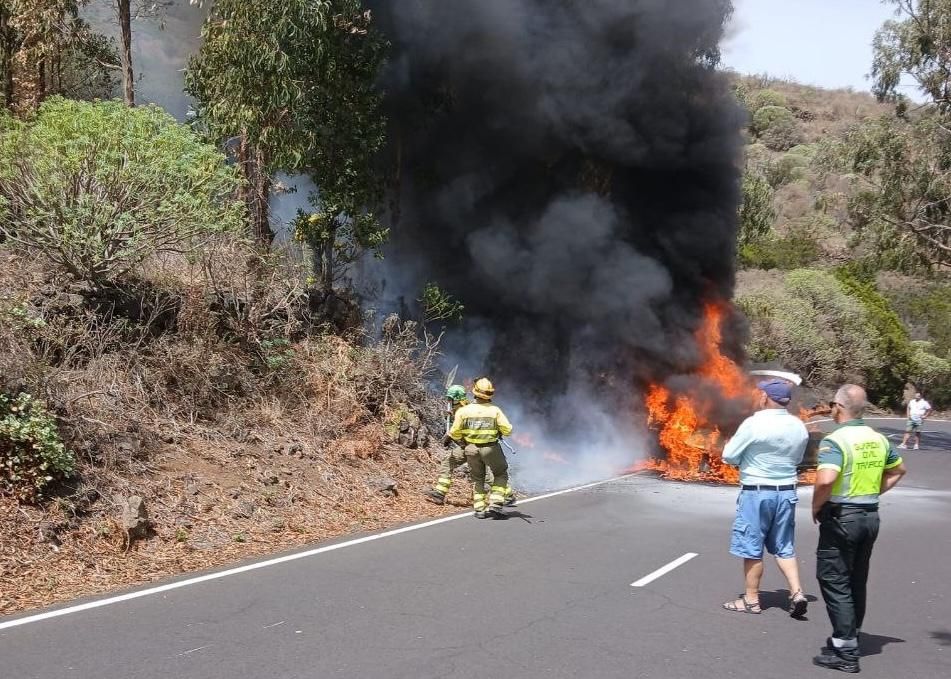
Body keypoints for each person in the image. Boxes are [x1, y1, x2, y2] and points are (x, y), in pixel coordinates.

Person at [812, 384, 907, 674]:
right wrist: (872, 494)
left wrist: (816, 507)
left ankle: (846, 651)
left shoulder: (835, 440)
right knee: (856, 579)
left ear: (838, 407)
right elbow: (897, 471)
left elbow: (826, 479)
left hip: (842, 518)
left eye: (832, 405)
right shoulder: (878, 439)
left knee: (833, 578)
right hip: (869, 516)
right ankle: (849, 635)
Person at [720, 379, 810, 617]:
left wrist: (741, 456)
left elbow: (728, 456)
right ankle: (797, 592)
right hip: (787, 492)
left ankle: (750, 600)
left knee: (752, 547)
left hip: (757, 493)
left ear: (765, 397)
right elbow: (798, 459)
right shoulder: (798, 426)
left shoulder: (754, 423)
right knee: (784, 546)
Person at [449, 377, 513, 518]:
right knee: (500, 473)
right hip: (490, 448)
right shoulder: (495, 411)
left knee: (477, 478)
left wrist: (465, 438)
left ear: (475, 393)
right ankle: (495, 504)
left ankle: (479, 509)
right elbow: (508, 430)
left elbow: (453, 432)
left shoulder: (463, 411)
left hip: (470, 449)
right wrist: (497, 430)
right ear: (490, 394)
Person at [425, 385, 470, 505]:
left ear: (458, 399)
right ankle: (439, 494)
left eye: (452, 400)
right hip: (466, 447)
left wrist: (449, 437)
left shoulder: (466, 411)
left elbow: (457, 430)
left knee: (486, 472)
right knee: (447, 462)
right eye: (448, 400)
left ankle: (506, 495)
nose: (449, 402)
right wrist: (450, 416)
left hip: (476, 447)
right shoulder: (460, 410)